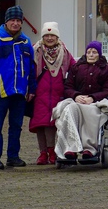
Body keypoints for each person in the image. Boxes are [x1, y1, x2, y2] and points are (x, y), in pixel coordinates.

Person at [0, 5, 36, 170]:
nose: (16, 23)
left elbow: (32, 68)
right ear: (6, 21)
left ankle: (13, 157)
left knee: (16, 127)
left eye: (18, 20)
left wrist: (32, 89)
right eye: (12, 20)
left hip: (19, 93)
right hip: (0, 93)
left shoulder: (26, 42)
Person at [54, 41, 108, 161]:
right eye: (88, 52)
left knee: (90, 110)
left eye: (94, 52)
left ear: (99, 54)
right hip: (78, 100)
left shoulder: (107, 69)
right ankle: (70, 148)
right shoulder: (77, 67)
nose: (91, 55)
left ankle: (90, 148)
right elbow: (68, 87)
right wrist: (76, 96)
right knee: (69, 109)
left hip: (96, 102)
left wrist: (92, 97)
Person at [29, 22, 75, 165]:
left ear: (57, 37)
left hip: (58, 94)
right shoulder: (35, 51)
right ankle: (43, 153)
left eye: (52, 35)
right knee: (40, 125)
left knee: (52, 124)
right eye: (46, 35)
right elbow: (29, 71)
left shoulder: (64, 52)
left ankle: (52, 152)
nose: (49, 38)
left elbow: (75, 68)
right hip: (39, 94)